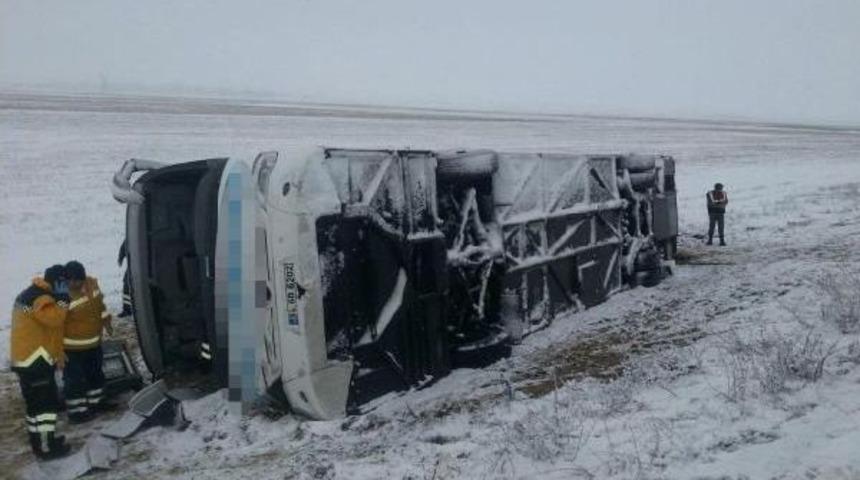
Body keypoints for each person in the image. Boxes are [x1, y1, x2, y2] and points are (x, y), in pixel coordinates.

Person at [10, 265, 71, 459]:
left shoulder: (34, 293)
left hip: (27, 360)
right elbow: (54, 321)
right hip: (34, 361)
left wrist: (59, 354)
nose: (67, 287)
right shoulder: (41, 298)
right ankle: (47, 448)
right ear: (57, 282)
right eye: (64, 283)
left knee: (35, 407)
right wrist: (62, 300)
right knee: (44, 407)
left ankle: (42, 442)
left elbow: (50, 331)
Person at [62, 261, 113, 423]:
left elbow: (100, 307)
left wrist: (107, 323)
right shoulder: (61, 296)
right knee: (74, 381)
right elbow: (55, 323)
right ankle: (77, 413)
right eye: (70, 280)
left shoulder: (93, 286)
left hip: (94, 344)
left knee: (96, 375)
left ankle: (97, 403)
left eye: (77, 280)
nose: (74, 284)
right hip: (72, 348)